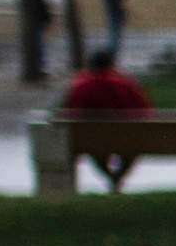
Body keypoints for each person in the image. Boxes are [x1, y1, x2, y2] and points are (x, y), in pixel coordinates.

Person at [56, 45, 155, 189]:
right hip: (128, 136)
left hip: (92, 138)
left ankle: (112, 178)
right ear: (111, 64)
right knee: (133, 144)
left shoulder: (82, 86)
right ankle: (117, 178)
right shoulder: (125, 84)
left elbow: (69, 112)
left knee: (93, 145)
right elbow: (145, 110)